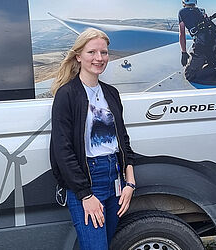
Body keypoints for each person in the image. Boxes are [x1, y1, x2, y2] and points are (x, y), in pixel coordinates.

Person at [50, 28, 136, 250]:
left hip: (114, 177)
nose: (99, 58)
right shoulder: (67, 94)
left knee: (105, 244)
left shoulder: (111, 93)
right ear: (78, 56)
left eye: (104, 53)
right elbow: (62, 149)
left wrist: (130, 183)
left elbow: (123, 141)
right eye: (92, 52)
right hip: (87, 180)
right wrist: (85, 194)